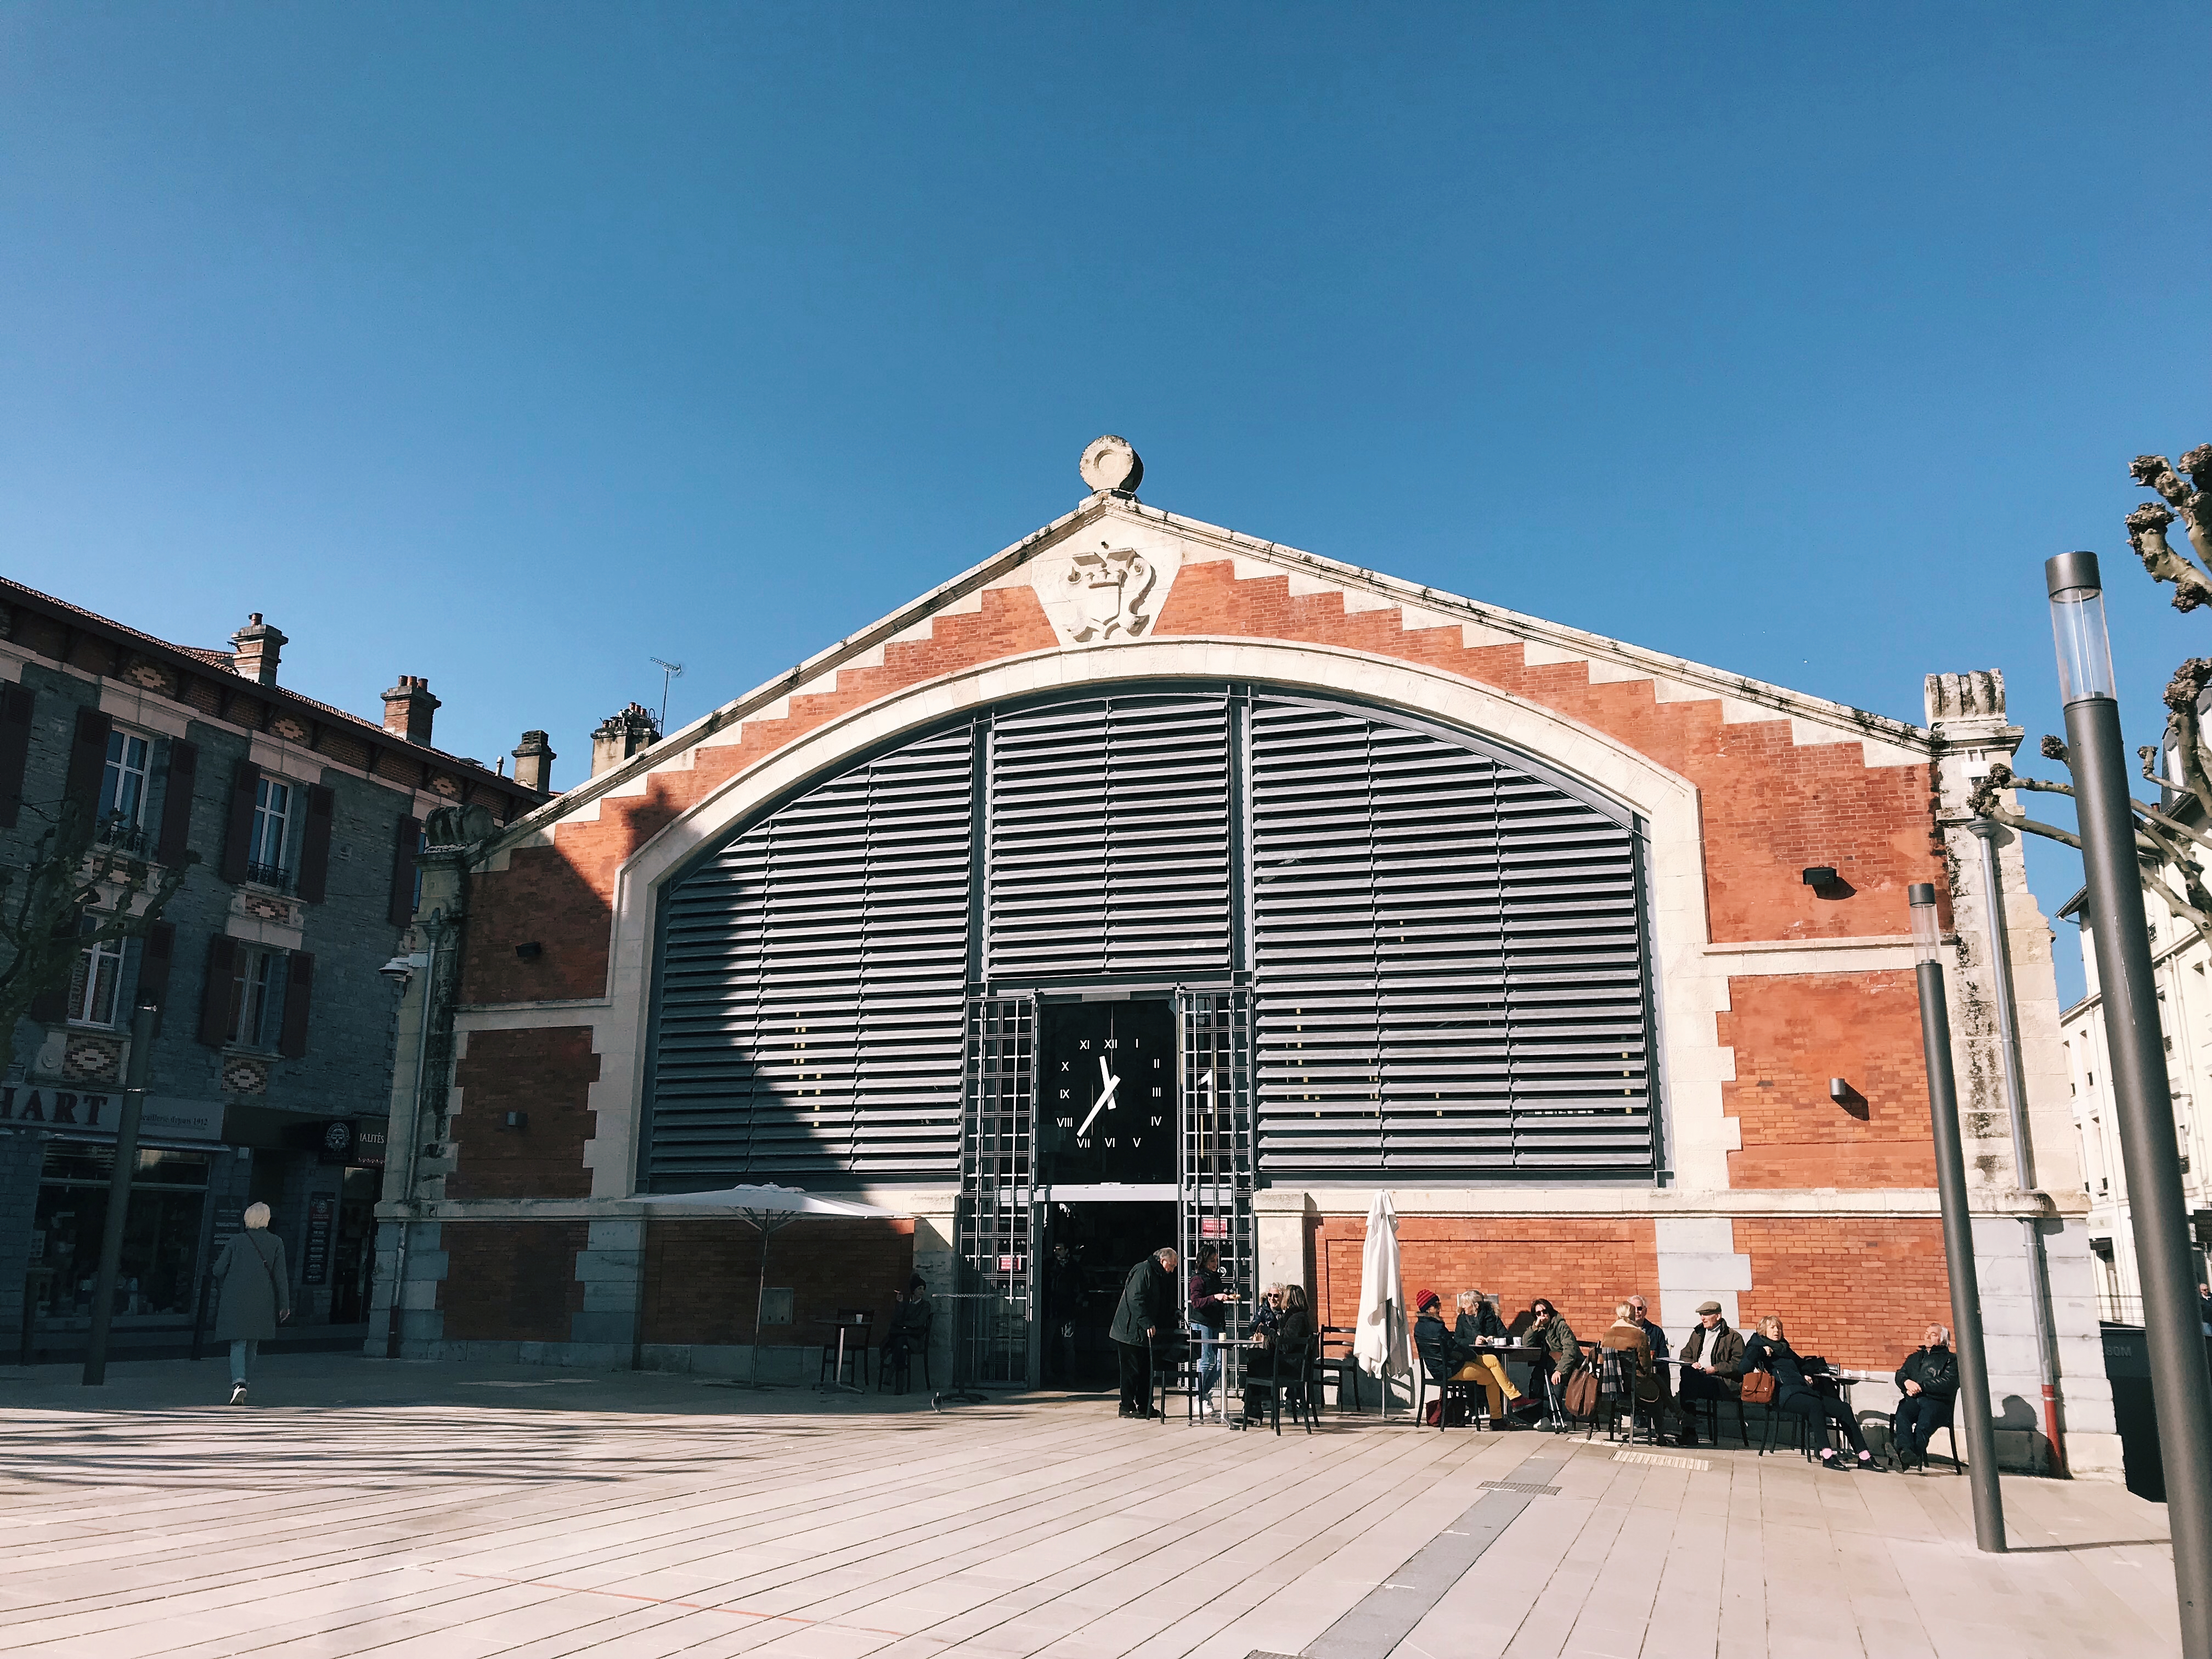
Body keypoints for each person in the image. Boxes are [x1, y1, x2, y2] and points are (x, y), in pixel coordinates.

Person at [1742, 1314, 1876, 1472]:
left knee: (1844, 1408)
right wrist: (1762, 1352)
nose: (1777, 1330)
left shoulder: (1784, 1348)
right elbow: (1743, 1368)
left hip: (1803, 1391)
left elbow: (1803, 1363)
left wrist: (1806, 1373)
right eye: (1772, 1327)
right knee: (1815, 1405)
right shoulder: (1756, 1347)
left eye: (1779, 1327)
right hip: (1784, 1394)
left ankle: (1864, 1456)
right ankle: (1827, 1455)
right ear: (1763, 1331)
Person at [211, 1202, 290, 1406]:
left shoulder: (236, 1241)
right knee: (253, 1342)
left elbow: (218, 1269)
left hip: (235, 1297)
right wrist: (285, 1304)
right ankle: (246, 1381)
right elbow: (281, 1277)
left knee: (238, 1341)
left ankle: (239, 1382)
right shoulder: (276, 1242)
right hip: (263, 1298)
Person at [1108, 1245, 1178, 1419]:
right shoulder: (1144, 1270)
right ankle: (1126, 1406)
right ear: (1163, 1261)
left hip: (1143, 1334)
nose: (1173, 1269)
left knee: (1147, 1370)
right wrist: (1147, 1322)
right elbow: (1135, 1298)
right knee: (1131, 1371)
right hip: (1130, 1332)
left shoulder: (1158, 1275)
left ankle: (1145, 1405)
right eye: (1172, 1265)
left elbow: (1158, 1301)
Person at [1235, 1283, 1314, 1428]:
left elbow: (1285, 1345)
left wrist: (1269, 1332)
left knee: (1255, 1365)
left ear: (1289, 1299)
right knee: (1256, 1358)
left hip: (1291, 1368)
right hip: (1292, 1364)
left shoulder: (1296, 1319)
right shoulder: (1297, 1317)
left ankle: (1253, 1411)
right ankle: (1254, 1408)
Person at [1453, 1290, 1531, 1423]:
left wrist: (1493, 1339)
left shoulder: (1492, 1318)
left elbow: (1507, 1338)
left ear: (1476, 1305)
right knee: (1489, 1372)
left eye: (1466, 1304)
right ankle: (1510, 1403)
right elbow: (1457, 1340)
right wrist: (1473, 1341)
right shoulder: (1462, 1319)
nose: (1463, 1307)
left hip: (1490, 1357)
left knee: (1493, 1368)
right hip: (1471, 1358)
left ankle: (1500, 1414)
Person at [1675, 1301, 1745, 1447]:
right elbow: (1685, 1354)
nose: (1703, 1318)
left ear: (1718, 1315)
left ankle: (1689, 1429)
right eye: (1701, 1315)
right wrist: (1692, 1363)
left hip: (1720, 1381)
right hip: (1698, 1377)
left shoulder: (1733, 1337)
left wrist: (1716, 1369)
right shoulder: (1698, 1333)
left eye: (1706, 1315)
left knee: (1687, 1384)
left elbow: (1739, 1364)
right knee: (1688, 1373)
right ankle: (1690, 1426)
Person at [1890, 1323, 1959, 1470]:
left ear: (1942, 1340)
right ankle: (1906, 1452)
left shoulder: (1951, 1360)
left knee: (1924, 1423)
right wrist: (1906, 1383)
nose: (1927, 1336)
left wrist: (1920, 1386)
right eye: (1926, 1333)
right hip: (1914, 1400)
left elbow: (1948, 1382)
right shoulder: (1915, 1357)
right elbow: (1901, 1374)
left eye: (1933, 1334)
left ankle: (1908, 1455)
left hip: (1937, 1403)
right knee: (1903, 1414)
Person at [1600, 1302, 1667, 1435]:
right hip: (1634, 1386)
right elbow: (1646, 1366)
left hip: (1613, 1385)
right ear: (1631, 1315)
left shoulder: (1607, 1335)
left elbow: (1603, 1362)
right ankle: (1661, 1434)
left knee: (1657, 1381)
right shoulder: (1639, 1335)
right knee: (1658, 1390)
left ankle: (1679, 1415)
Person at [1188, 1246, 1238, 1418]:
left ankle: (1204, 1392)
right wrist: (1214, 1298)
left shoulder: (1216, 1277)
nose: (1215, 1264)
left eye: (1217, 1261)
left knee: (1220, 1362)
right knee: (1205, 1359)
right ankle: (1199, 1398)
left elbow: (1219, 1293)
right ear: (1204, 1261)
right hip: (1203, 1323)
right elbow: (1196, 1302)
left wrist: (1227, 1294)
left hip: (1217, 1323)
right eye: (1212, 1261)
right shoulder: (1198, 1279)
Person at [879, 1274, 932, 1391]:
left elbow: (919, 1323)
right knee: (902, 1347)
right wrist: (900, 1304)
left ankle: (891, 1372)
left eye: (923, 1289)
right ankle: (899, 1386)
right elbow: (896, 1320)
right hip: (903, 1339)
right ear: (913, 1290)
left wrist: (904, 1325)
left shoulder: (925, 1306)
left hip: (914, 1340)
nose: (922, 1292)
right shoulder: (906, 1304)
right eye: (919, 1289)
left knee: (901, 1340)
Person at [1045, 1242, 1084, 1384]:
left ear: (1067, 1250)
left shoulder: (1073, 1267)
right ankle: (1047, 1372)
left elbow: (1082, 1286)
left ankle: (1070, 1375)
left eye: (1060, 1249)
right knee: (1048, 1343)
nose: (1057, 1252)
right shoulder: (1049, 1265)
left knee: (1068, 1344)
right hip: (1052, 1310)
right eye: (1055, 1249)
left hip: (1067, 1311)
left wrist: (1077, 1301)